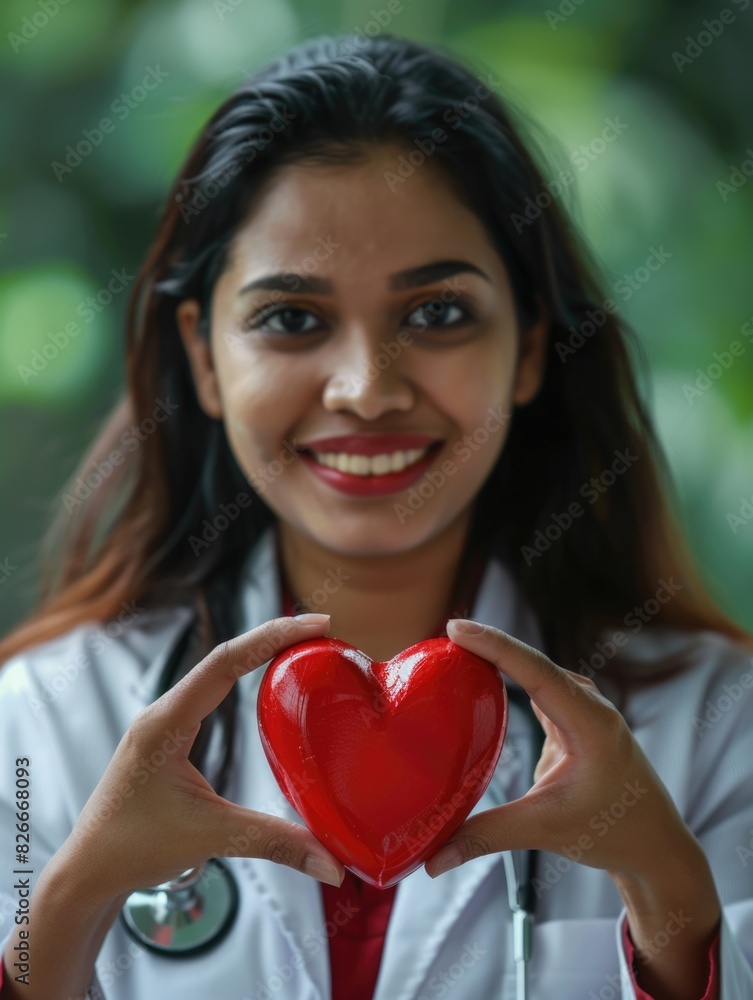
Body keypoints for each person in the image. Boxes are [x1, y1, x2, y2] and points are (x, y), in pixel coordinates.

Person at [0, 31, 751, 1000]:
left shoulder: (719, 726)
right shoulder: (37, 726)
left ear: (527, 346)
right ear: (202, 357)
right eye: (292, 319)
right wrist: (65, 911)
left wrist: (673, 901)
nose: (365, 389)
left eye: (437, 314)